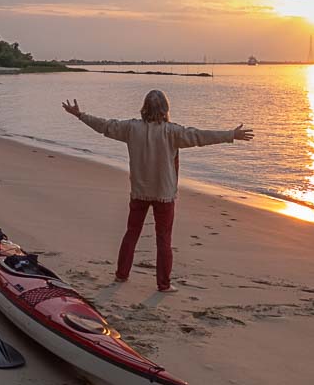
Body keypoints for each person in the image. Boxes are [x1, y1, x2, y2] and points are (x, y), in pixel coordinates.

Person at [63, 89, 253, 292]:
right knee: (163, 238)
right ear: (165, 109)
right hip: (164, 194)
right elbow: (200, 136)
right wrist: (230, 135)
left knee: (132, 233)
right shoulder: (173, 132)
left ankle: (121, 275)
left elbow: (105, 126)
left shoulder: (131, 128)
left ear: (144, 108)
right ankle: (163, 284)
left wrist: (80, 115)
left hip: (139, 191)